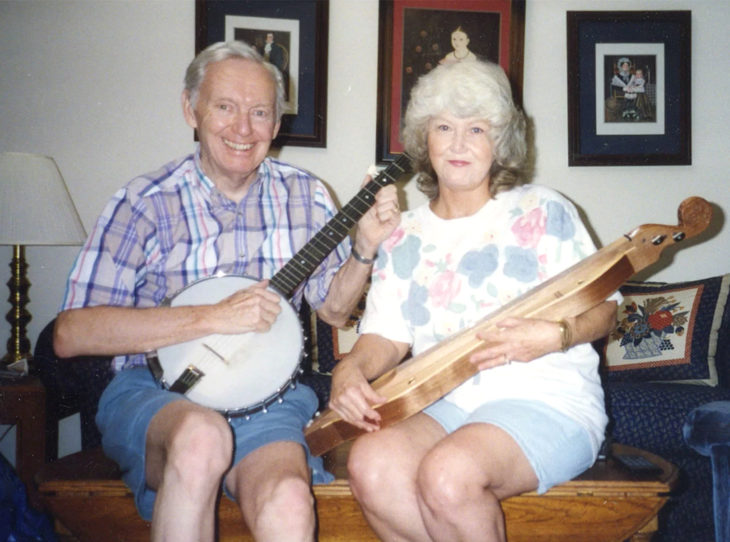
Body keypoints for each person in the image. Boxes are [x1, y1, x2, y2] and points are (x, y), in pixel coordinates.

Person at [53, 40, 399, 542]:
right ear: (190, 109)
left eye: (260, 112)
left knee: (287, 501)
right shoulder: (142, 203)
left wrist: (364, 248)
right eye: (225, 107)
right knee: (201, 439)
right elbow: (70, 333)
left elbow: (332, 309)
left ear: (277, 126)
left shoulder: (307, 195)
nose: (243, 128)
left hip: (270, 398)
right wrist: (214, 316)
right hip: (156, 392)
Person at [328, 60, 620, 542]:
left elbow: (608, 308)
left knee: (449, 475)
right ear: (425, 140)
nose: (459, 143)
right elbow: (384, 335)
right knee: (371, 462)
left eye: (476, 129)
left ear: (499, 142)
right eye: (444, 127)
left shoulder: (545, 210)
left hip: (549, 400)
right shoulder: (405, 235)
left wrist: (556, 335)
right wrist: (350, 369)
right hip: (448, 406)